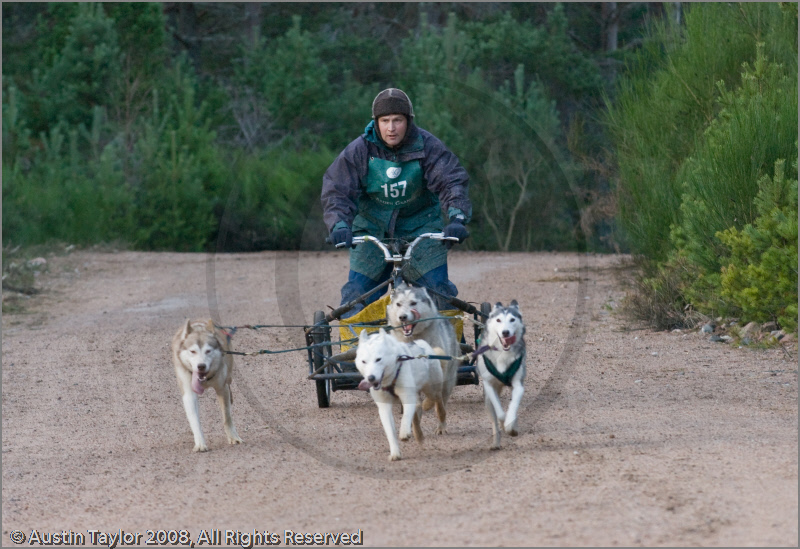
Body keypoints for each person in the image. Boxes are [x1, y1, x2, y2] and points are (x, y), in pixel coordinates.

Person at [321, 88, 472, 317]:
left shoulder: (428, 147)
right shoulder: (360, 151)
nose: (391, 128)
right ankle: (354, 349)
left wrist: (457, 218)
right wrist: (339, 225)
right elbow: (337, 191)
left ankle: (449, 350)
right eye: (385, 121)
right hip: (372, 231)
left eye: (397, 120)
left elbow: (451, 182)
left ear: (408, 121)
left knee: (440, 294)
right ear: (376, 122)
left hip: (421, 228)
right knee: (354, 296)